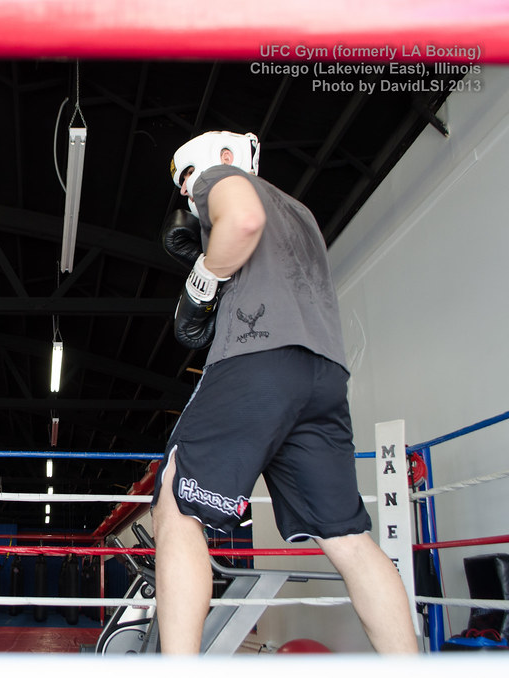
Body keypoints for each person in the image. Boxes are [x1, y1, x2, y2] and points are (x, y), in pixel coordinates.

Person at [152, 131, 418, 654]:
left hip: (258, 360)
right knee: (348, 540)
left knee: (176, 505)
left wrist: (202, 281)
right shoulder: (301, 213)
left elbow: (243, 221)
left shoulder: (220, 177)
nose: (190, 196)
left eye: (188, 181)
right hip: (323, 373)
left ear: (223, 159)